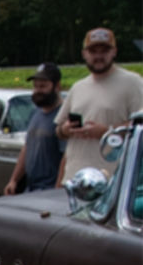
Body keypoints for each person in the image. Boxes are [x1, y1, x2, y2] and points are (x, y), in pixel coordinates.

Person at [55, 27, 143, 182]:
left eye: (104, 51)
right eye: (93, 51)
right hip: (74, 179)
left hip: (112, 182)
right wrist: (66, 129)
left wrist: (107, 131)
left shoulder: (133, 82)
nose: (98, 56)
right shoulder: (78, 87)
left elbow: (140, 126)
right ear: (84, 54)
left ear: (114, 52)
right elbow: (58, 131)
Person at [3, 62, 67, 195]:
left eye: (43, 86)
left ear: (57, 86)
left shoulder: (63, 116)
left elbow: (67, 157)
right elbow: (27, 147)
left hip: (49, 190)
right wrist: (14, 180)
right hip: (31, 189)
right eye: (35, 86)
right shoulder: (35, 113)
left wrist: (57, 191)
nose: (38, 91)